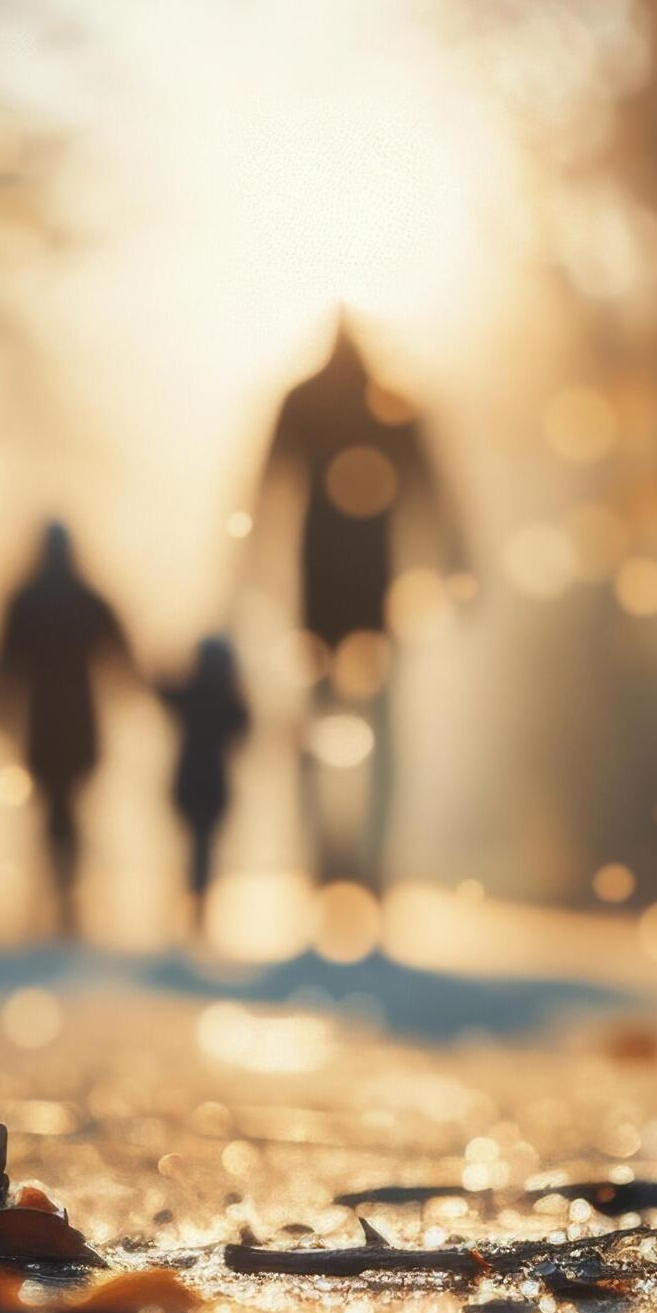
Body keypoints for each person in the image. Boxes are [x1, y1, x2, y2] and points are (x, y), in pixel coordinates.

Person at [252, 314, 468, 886]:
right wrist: (458, 562)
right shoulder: (388, 402)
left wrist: (250, 575)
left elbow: (263, 490)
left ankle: (324, 854)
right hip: (372, 591)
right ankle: (370, 857)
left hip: (321, 590)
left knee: (321, 724)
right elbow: (435, 491)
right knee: (382, 728)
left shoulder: (305, 399)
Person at [0, 521, 136, 934]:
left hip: (47, 724)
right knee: (65, 805)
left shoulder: (28, 600)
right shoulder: (83, 599)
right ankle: (64, 888)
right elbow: (122, 655)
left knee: (58, 806)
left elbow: (2, 667)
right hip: (75, 723)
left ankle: (60, 888)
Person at [159, 635, 250, 924]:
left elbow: (164, 692)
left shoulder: (193, 695)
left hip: (192, 780)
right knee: (203, 845)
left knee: (197, 845)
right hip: (211, 782)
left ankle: (196, 897)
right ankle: (199, 898)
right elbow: (243, 728)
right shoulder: (229, 701)